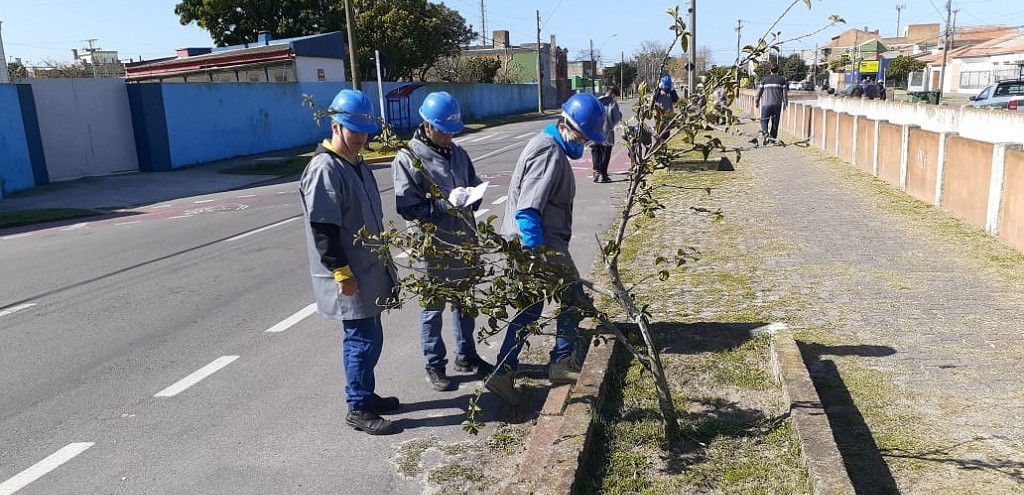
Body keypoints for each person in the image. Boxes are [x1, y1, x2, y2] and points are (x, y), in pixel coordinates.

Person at [486, 93, 607, 404]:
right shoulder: (548, 151)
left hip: (538, 245)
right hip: (539, 246)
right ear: (567, 125)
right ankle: (560, 363)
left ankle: (503, 371)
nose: (583, 144)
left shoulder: (550, 146)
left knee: (531, 307)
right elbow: (527, 210)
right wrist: (536, 256)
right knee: (573, 299)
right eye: (582, 137)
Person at [299, 89, 400, 436]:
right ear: (335, 126)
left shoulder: (355, 163)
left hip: (368, 270)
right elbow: (323, 228)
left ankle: (366, 394)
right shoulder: (325, 169)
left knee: (371, 337)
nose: (360, 138)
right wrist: (342, 273)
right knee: (361, 340)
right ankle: (358, 407)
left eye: (364, 132)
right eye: (353, 130)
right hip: (350, 273)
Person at [392, 92, 494, 392]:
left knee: (465, 303)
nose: (449, 137)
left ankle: (466, 355)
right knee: (433, 309)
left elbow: (473, 183)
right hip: (432, 246)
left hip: (464, 241)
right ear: (427, 125)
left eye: (452, 131)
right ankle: (434, 364)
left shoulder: (459, 153)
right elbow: (407, 206)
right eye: (444, 131)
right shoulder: (409, 159)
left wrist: (473, 197)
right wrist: (442, 205)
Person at [590, 86, 622, 183]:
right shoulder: (613, 104)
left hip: (594, 131)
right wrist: (619, 115)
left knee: (596, 151)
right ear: (612, 94)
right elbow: (616, 118)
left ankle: (596, 171)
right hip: (607, 132)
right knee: (606, 153)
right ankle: (603, 174)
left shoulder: (596, 101)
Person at [755, 65, 788, 145]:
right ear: (777, 70)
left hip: (766, 104)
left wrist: (757, 101)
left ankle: (765, 134)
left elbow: (759, 92)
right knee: (775, 122)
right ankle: (772, 139)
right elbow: (784, 93)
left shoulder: (764, 80)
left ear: (770, 70)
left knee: (763, 121)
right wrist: (785, 103)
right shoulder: (782, 80)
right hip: (777, 105)